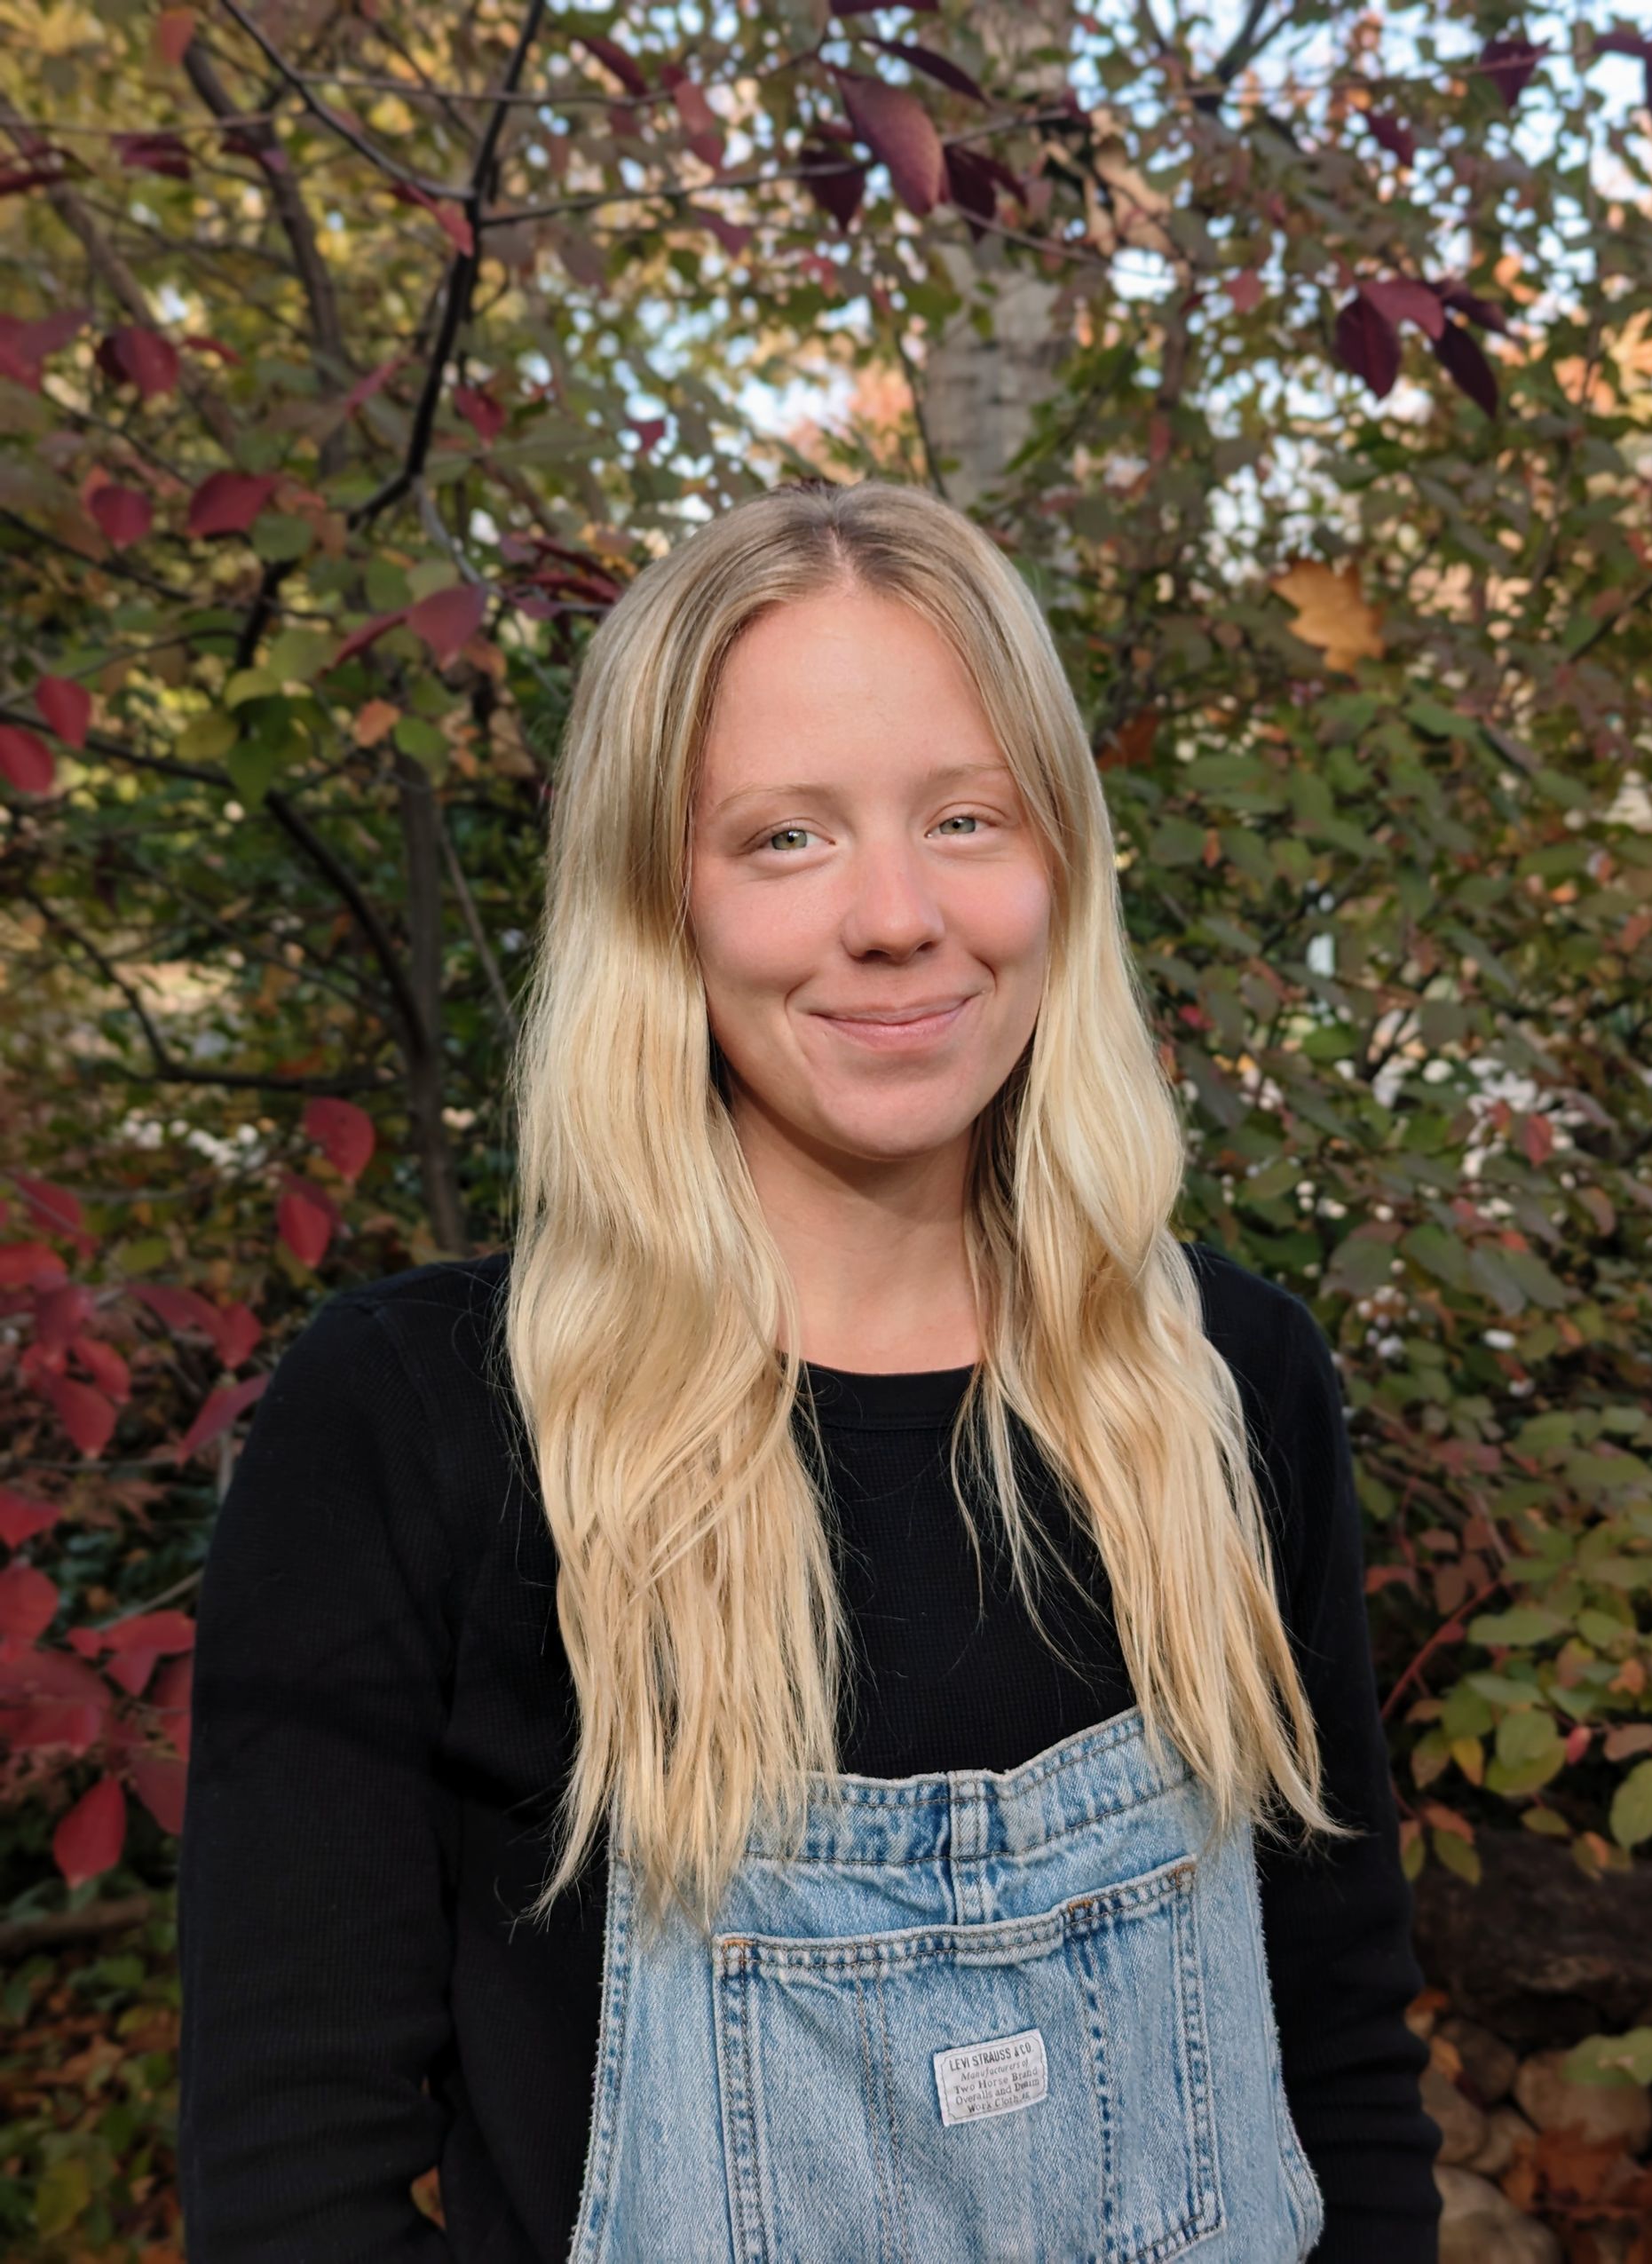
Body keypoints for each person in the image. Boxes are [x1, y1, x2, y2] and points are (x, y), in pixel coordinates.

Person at [177, 478, 1443, 2261]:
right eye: (786, 838)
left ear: (1060, 856)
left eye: (965, 817)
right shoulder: (422, 1431)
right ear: (656, 898)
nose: (899, 916)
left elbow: (1347, 2053)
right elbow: (293, 2179)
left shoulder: (1225, 1381)